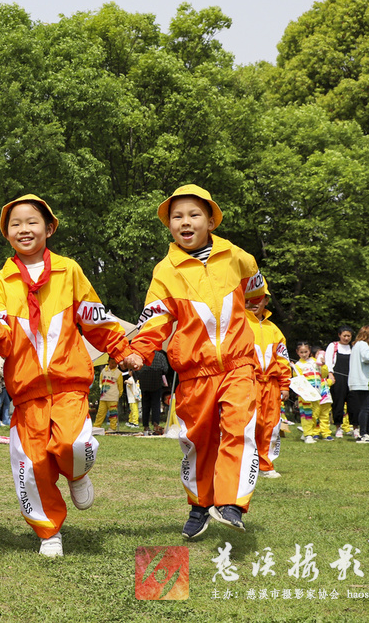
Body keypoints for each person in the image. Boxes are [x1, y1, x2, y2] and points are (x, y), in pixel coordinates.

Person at [0, 195, 139, 557]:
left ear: (48, 229)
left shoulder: (69, 271)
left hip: (69, 384)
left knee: (71, 446)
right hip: (26, 390)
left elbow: (95, 319)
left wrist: (123, 351)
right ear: (7, 234)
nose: (24, 229)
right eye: (15, 224)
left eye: (32, 222)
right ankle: (49, 533)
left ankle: (77, 474)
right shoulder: (0, 282)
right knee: (33, 465)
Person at [130, 184, 265, 540]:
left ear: (211, 221)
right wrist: (139, 351)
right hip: (194, 372)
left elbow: (256, 291)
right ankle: (199, 505)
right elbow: (154, 320)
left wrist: (253, 313)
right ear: (169, 225)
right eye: (177, 217)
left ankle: (231, 503)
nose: (185, 222)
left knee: (239, 428)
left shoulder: (237, 257)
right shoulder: (165, 271)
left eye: (194, 215)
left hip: (238, 364)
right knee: (197, 441)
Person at [244, 282, 291, 477]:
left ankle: (265, 465)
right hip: (247, 382)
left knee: (270, 425)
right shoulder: (238, 324)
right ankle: (244, 464)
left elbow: (283, 360)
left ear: (266, 300)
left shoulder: (275, 330)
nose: (254, 302)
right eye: (250, 298)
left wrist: (285, 385)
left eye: (259, 298)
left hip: (271, 384)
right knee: (247, 423)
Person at [324, 327, 355, 439]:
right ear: (339, 335)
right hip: (338, 377)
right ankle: (338, 427)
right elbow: (328, 361)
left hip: (351, 377)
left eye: (348, 336)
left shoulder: (353, 347)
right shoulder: (333, 346)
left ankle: (355, 427)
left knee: (353, 403)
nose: (346, 338)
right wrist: (330, 374)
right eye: (344, 336)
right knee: (338, 402)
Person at [136, 350, 169, 435]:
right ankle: (155, 424)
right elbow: (165, 369)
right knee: (156, 404)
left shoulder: (142, 355)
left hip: (144, 381)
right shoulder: (160, 356)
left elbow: (137, 369)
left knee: (145, 405)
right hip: (156, 381)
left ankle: (146, 426)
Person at [93, 358, 124, 430]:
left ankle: (113, 428)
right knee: (100, 413)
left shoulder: (118, 373)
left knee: (113, 413)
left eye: (115, 363)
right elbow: (101, 381)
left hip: (113, 397)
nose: (113, 364)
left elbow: (120, 387)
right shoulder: (104, 370)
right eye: (112, 363)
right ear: (108, 362)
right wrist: (102, 390)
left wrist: (118, 395)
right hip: (104, 397)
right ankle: (96, 427)